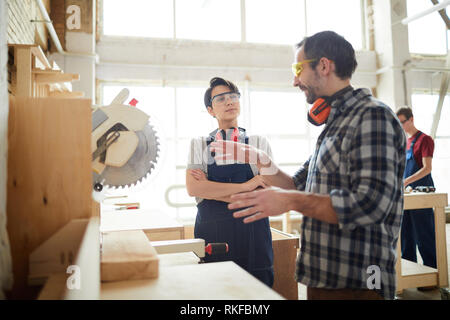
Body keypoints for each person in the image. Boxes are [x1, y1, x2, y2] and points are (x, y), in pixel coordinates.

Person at [210, 31, 406, 300]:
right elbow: (297, 184)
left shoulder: (372, 116)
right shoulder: (335, 124)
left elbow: (370, 205)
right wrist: (259, 159)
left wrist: (290, 201)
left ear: (324, 66)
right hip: (323, 274)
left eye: (298, 69)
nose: (294, 80)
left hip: (359, 279)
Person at [185, 77, 274, 287]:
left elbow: (267, 191)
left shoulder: (258, 142)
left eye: (234, 97)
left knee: (258, 295)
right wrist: (247, 186)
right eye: (221, 98)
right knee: (216, 292)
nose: (229, 102)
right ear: (210, 110)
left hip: (255, 239)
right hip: (215, 238)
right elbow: (194, 188)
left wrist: (213, 190)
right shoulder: (199, 145)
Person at [396, 107, 437, 271]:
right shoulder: (405, 142)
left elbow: (427, 168)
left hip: (421, 193)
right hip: (406, 195)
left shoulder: (425, 140)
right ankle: (409, 272)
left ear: (411, 119)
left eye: (402, 122)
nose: (401, 126)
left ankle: (432, 273)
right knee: (406, 237)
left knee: (424, 235)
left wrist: (406, 182)